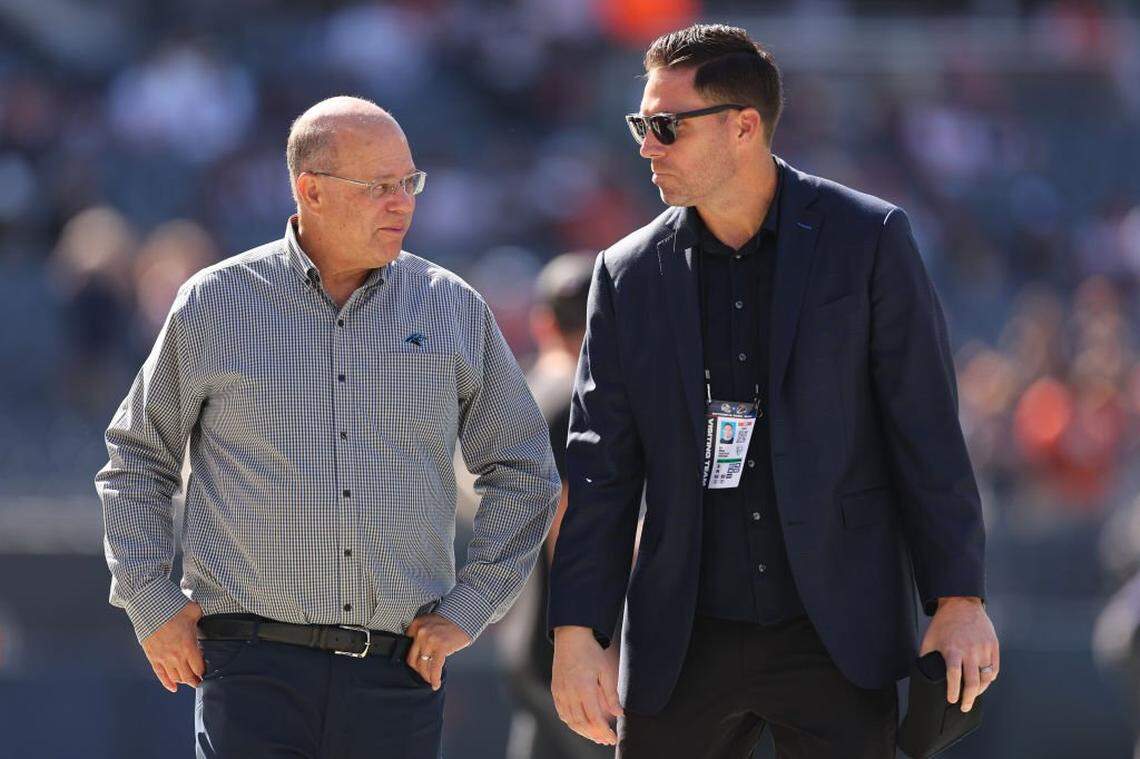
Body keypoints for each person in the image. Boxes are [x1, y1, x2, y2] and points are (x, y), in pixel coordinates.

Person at [547, 24, 999, 758]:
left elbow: (925, 431)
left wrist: (958, 597)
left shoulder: (869, 238)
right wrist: (577, 631)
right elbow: (600, 469)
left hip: (838, 634)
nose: (645, 145)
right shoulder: (625, 273)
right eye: (641, 123)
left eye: (665, 126)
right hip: (681, 638)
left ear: (744, 127)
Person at [96, 96, 560, 758]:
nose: (403, 203)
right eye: (379, 187)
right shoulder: (215, 302)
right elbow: (137, 457)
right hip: (248, 669)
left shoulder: (453, 307)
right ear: (310, 189)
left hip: (396, 676)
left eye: (410, 183)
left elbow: (524, 470)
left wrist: (471, 605)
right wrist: (150, 599)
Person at [497, 251, 613, 759]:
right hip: (575, 644)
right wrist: (589, 641)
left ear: (543, 322)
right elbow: (569, 528)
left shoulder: (524, 393)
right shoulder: (583, 401)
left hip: (521, 629)